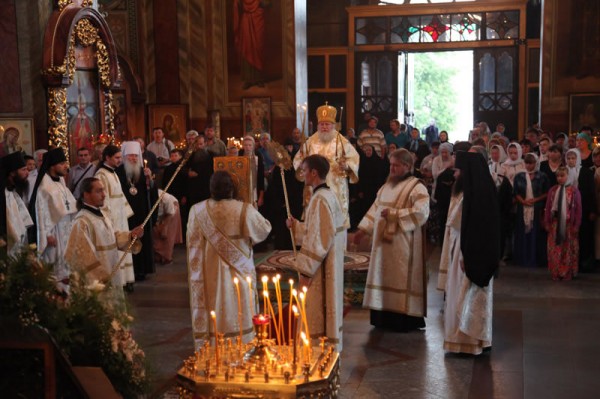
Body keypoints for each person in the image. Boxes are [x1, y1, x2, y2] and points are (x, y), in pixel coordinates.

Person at [187, 171, 271, 349]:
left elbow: (193, 245)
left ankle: (213, 348)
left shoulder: (197, 210)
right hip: (239, 273)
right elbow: (264, 230)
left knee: (215, 309)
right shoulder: (244, 209)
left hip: (210, 274)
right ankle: (242, 345)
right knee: (239, 308)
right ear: (232, 189)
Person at [353, 149, 430, 332]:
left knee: (400, 278)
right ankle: (383, 318)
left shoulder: (416, 186)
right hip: (382, 245)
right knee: (382, 278)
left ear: (407, 166)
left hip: (403, 245)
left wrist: (395, 215)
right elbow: (375, 209)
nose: (392, 168)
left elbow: (422, 212)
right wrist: (363, 230)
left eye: (396, 165)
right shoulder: (386, 186)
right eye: (391, 165)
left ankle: (403, 320)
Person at [437, 150, 499, 355]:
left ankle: (469, 342)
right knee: (460, 294)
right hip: (462, 250)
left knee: (467, 297)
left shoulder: (477, 195)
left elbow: (477, 230)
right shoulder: (471, 191)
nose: (454, 175)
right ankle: (466, 341)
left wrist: (466, 256)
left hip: (469, 253)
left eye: (458, 171)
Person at [286, 154, 345, 351]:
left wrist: (306, 271)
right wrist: (296, 226)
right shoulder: (324, 195)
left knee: (315, 310)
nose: (302, 174)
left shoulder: (320, 199)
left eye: (304, 170)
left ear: (314, 173)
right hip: (324, 261)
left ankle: (316, 353)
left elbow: (319, 239)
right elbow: (315, 230)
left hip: (319, 267)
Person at [65, 178, 144, 298]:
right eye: (99, 191)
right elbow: (81, 257)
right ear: (86, 194)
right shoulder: (82, 222)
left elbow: (112, 238)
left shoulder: (103, 215)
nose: (104, 195)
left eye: (103, 190)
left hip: (112, 274)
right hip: (98, 282)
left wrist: (131, 235)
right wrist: (100, 277)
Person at [293, 103, 360, 231]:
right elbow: (298, 159)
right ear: (318, 126)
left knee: (335, 223)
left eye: (327, 124)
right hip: (314, 186)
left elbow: (354, 159)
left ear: (333, 125)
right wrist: (302, 165)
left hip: (335, 186)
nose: (324, 127)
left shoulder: (342, 141)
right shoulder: (310, 141)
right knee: (315, 222)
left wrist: (346, 166)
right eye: (322, 124)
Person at [29, 148, 77, 291]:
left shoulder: (60, 183)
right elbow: (40, 211)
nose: (65, 166)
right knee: (56, 267)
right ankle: (57, 296)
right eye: (62, 163)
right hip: (54, 233)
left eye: (65, 163)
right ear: (52, 166)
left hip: (66, 230)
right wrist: (47, 234)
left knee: (67, 263)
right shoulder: (44, 186)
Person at [95, 144, 135, 290]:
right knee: (116, 247)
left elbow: (120, 196)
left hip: (120, 218)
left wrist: (126, 213)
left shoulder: (113, 172)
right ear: (107, 157)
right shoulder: (101, 175)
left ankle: (125, 280)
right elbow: (102, 200)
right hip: (112, 219)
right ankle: (118, 280)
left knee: (124, 245)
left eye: (120, 157)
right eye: (117, 158)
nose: (120, 160)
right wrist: (107, 220)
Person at [117, 141, 158, 281]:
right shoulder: (118, 172)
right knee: (128, 238)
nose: (133, 159)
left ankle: (142, 270)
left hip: (141, 212)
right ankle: (130, 271)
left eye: (135, 156)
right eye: (130, 156)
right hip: (126, 213)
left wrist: (149, 180)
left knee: (142, 239)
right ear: (124, 156)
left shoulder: (143, 171)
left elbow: (151, 192)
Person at [544, 167, 582, 281]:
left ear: (568, 176)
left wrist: (576, 225)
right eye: (558, 176)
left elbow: (578, 210)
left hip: (568, 225)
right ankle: (556, 271)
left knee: (568, 249)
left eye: (562, 176)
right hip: (555, 224)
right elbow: (548, 207)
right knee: (555, 249)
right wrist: (547, 222)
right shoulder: (553, 190)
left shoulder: (574, 191)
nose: (560, 178)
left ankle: (567, 272)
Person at [513, 153, 550, 267]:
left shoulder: (542, 176)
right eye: (527, 163)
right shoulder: (519, 176)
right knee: (522, 234)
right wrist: (523, 201)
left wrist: (535, 200)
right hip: (522, 208)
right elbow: (515, 192)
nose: (529, 166)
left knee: (536, 234)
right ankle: (522, 259)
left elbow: (547, 192)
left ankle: (535, 259)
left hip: (537, 208)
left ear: (536, 163)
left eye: (531, 163)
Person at [565, 149, 596, 272]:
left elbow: (592, 192)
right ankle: (569, 261)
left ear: (578, 159)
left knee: (584, 235)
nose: (571, 160)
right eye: (569, 158)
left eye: (573, 158)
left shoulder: (586, 172)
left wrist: (593, 210)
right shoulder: (564, 171)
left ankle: (583, 262)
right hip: (567, 210)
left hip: (584, 208)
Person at [1, 151, 33, 255]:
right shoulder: (3, 193)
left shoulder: (13, 192)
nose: (27, 173)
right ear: (12, 172)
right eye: (23, 170)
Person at [153, 189, 183, 264]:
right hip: (160, 214)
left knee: (168, 233)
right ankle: (158, 254)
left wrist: (165, 228)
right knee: (156, 230)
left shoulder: (166, 199)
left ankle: (167, 257)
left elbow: (170, 213)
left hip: (172, 210)